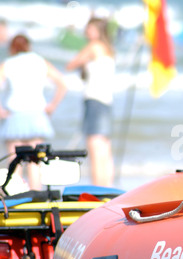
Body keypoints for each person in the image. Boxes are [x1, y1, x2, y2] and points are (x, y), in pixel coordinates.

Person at [0, 34, 66, 190]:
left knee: (15, 161)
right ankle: (37, 197)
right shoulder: (40, 61)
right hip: (37, 115)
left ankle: (16, 197)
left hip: (15, 116)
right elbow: (62, 83)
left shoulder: (9, 63)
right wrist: (52, 105)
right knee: (35, 162)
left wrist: (1, 111)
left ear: (12, 48)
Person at [66, 17, 115, 186]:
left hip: (94, 99)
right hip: (106, 101)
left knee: (94, 146)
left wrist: (83, 61)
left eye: (90, 28)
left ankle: (97, 189)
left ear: (98, 31)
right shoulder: (108, 48)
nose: (87, 31)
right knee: (104, 148)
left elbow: (71, 64)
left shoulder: (93, 46)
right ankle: (106, 187)